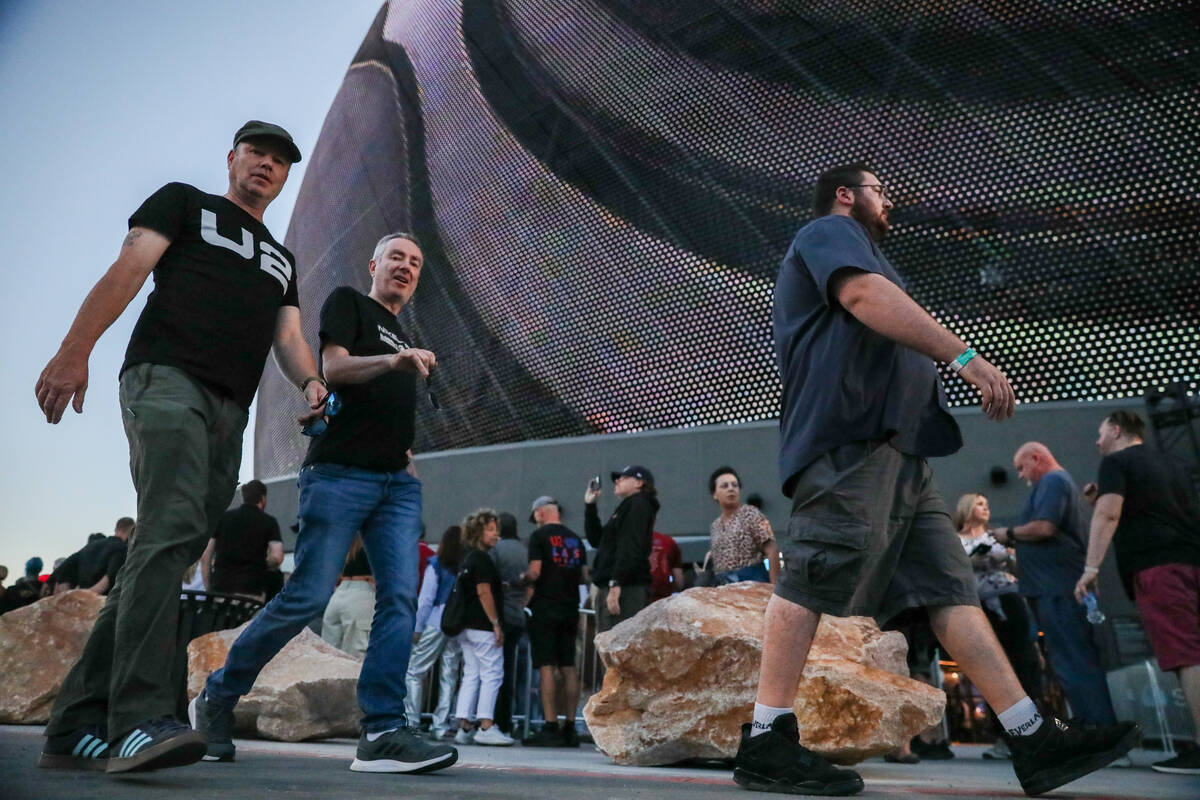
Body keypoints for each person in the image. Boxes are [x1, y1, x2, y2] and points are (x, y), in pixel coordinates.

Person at [735, 163, 1137, 797]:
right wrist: (967, 359)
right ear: (847, 195)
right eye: (880, 192)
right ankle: (766, 738)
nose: (888, 203)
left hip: (904, 460)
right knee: (813, 570)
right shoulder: (827, 232)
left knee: (952, 590)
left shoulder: (866, 250)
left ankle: (1030, 736)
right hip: (851, 443)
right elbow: (864, 298)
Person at [34, 120, 326, 774]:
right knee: (165, 533)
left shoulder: (283, 259)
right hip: (166, 378)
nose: (266, 166)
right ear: (233, 158)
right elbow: (129, 268)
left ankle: (75, 725)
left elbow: (288, 338)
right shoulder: (184, 202)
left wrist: (311, 381)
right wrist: (74, 349)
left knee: (167, 550)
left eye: (279, 160)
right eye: (256, 152)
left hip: (231, 406)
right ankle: (137, 720)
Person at [191, 232, 456, 775]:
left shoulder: (405, 332)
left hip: (395, 485)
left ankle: (383, 730)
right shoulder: (350, 303)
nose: (405, 267)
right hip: (338, 475)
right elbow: (333, 368)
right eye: (396, 258)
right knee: (307, 597)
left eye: (415, 262)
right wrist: (391, 362)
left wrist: (406, 460)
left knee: (400, 601)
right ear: (374, 264)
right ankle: (217, 696)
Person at [1074, 410, 1200, 775]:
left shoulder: (1115, 462)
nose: (1097, 442)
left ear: (1115, 430)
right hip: (1191, 559)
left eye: (1100, 434)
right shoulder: (1172, 463)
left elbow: (1109, 515)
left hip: (1159, 569)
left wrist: (1091, 568)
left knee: (1187, 654)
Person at [995, 442, 1117, 727]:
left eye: (1022, 468)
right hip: (1054, 586)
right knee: (1070, 659)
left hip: (1058, 588)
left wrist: (1007, 533)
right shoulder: (1057, 482)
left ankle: (1096, 730)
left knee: (1073, 659)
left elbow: (1044, 527)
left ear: (1037, 458)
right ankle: (1093, 726)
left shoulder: (1052, 481)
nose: (1022, 476)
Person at [954, 493, 1043, 761]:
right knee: (992, 666)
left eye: (987, 503)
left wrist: (1011, 557)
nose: (985, 508)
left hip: (1010, 599)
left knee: (1024, 661)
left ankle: (1034, 733)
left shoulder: (997, 537)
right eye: (980, 503)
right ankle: (1004, 737)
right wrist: (972, 561)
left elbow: (1018, 568)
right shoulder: (955, 541)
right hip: (980, 606)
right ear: (968, 508)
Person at [522, 496, 587, 747]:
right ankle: (570, 727)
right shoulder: (575, 539)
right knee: (569, 666)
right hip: (570, 607)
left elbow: (535, 572)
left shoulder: (539, 538)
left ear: (540, 513)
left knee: (547, 666)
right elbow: (582, 576)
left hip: (545, 607)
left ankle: (550, 726)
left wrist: (522, 578)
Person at [454, 509, 515, 746]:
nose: (496, 535)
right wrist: (496, 623)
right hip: (483, 626)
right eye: (490, 530)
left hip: (466, 626)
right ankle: (487, 724)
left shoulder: (467, 558)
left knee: (471, 673)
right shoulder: (482, 559)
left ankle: (464, 725)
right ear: (478, 532)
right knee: (492, 673)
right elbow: (484, 591)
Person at [405, 526, 465, 738]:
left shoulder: (436, 565)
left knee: (415, 670)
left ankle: (412, 720)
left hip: (436, 620)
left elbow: (426, 600)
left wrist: (417, 628)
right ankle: (441, 724)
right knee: (449, 674)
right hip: (457, 623)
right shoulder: (464, 566)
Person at [586, 465, 658, 632]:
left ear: (639, 483)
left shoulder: (638, 504)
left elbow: (630, 546)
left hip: (626, 589)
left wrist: (616, 583)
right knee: (612, 645)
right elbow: (598, 540)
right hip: (618, 585)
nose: (617, 481)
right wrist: (590, 506)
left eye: (623, 477)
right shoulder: (627, 507)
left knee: (619, 646)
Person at [200, 480, 283, 601]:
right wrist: (260, 563)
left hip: (220, 589)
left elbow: (205, 556)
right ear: (263, 498)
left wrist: (209, 587)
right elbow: (277, 557)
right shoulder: (269, 522)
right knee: (250, 619)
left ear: (244, 497)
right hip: (251, 590)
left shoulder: (223, 518)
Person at [491, 512, 529, 735]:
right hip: (519, 615)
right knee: (514, 671)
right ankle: (511, 720)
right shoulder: (525, 550)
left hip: (500, 614)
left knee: (496, 671)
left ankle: (496, 720)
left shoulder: (496, 550)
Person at [708, 466, 780, 584]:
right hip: (723, 585)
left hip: (751, 580)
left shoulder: (751, 514)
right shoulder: (715, 526)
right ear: (715, 494)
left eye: (734, 485)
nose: (731, 489)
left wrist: (774, 587)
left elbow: (772, 550)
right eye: (724, 486)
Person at [321, 536, 375, 659]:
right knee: (356, 661)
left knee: (329, 659)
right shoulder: (379, 534)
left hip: (338, 595)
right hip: (363, 595)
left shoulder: (347, 533)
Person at [50, 518, 135, 596]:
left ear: (116, 529)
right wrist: (90, 594)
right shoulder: (122, 549)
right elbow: (112, 575)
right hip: (101, 600)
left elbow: (64, 567)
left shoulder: (89, 546)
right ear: (132, 532)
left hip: (82, 601)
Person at [649, 531, 684, 602]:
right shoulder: (668, 541)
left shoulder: (633, 541)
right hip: (663, 594)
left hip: (640, 592)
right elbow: (678, 577)